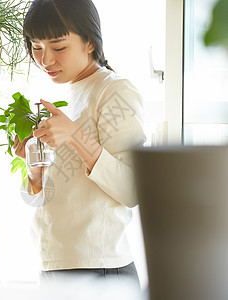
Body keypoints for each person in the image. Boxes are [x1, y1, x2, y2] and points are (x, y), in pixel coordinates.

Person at [13, 0, 146, 286]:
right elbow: (59, 193)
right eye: (36, 47)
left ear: (89, 42)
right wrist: (34, 170)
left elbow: (133, 189)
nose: (45, 59)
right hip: (54, 265)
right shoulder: (71, 93)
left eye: (58, 47)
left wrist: (75, 136)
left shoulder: (115, 91)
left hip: (99, 269)